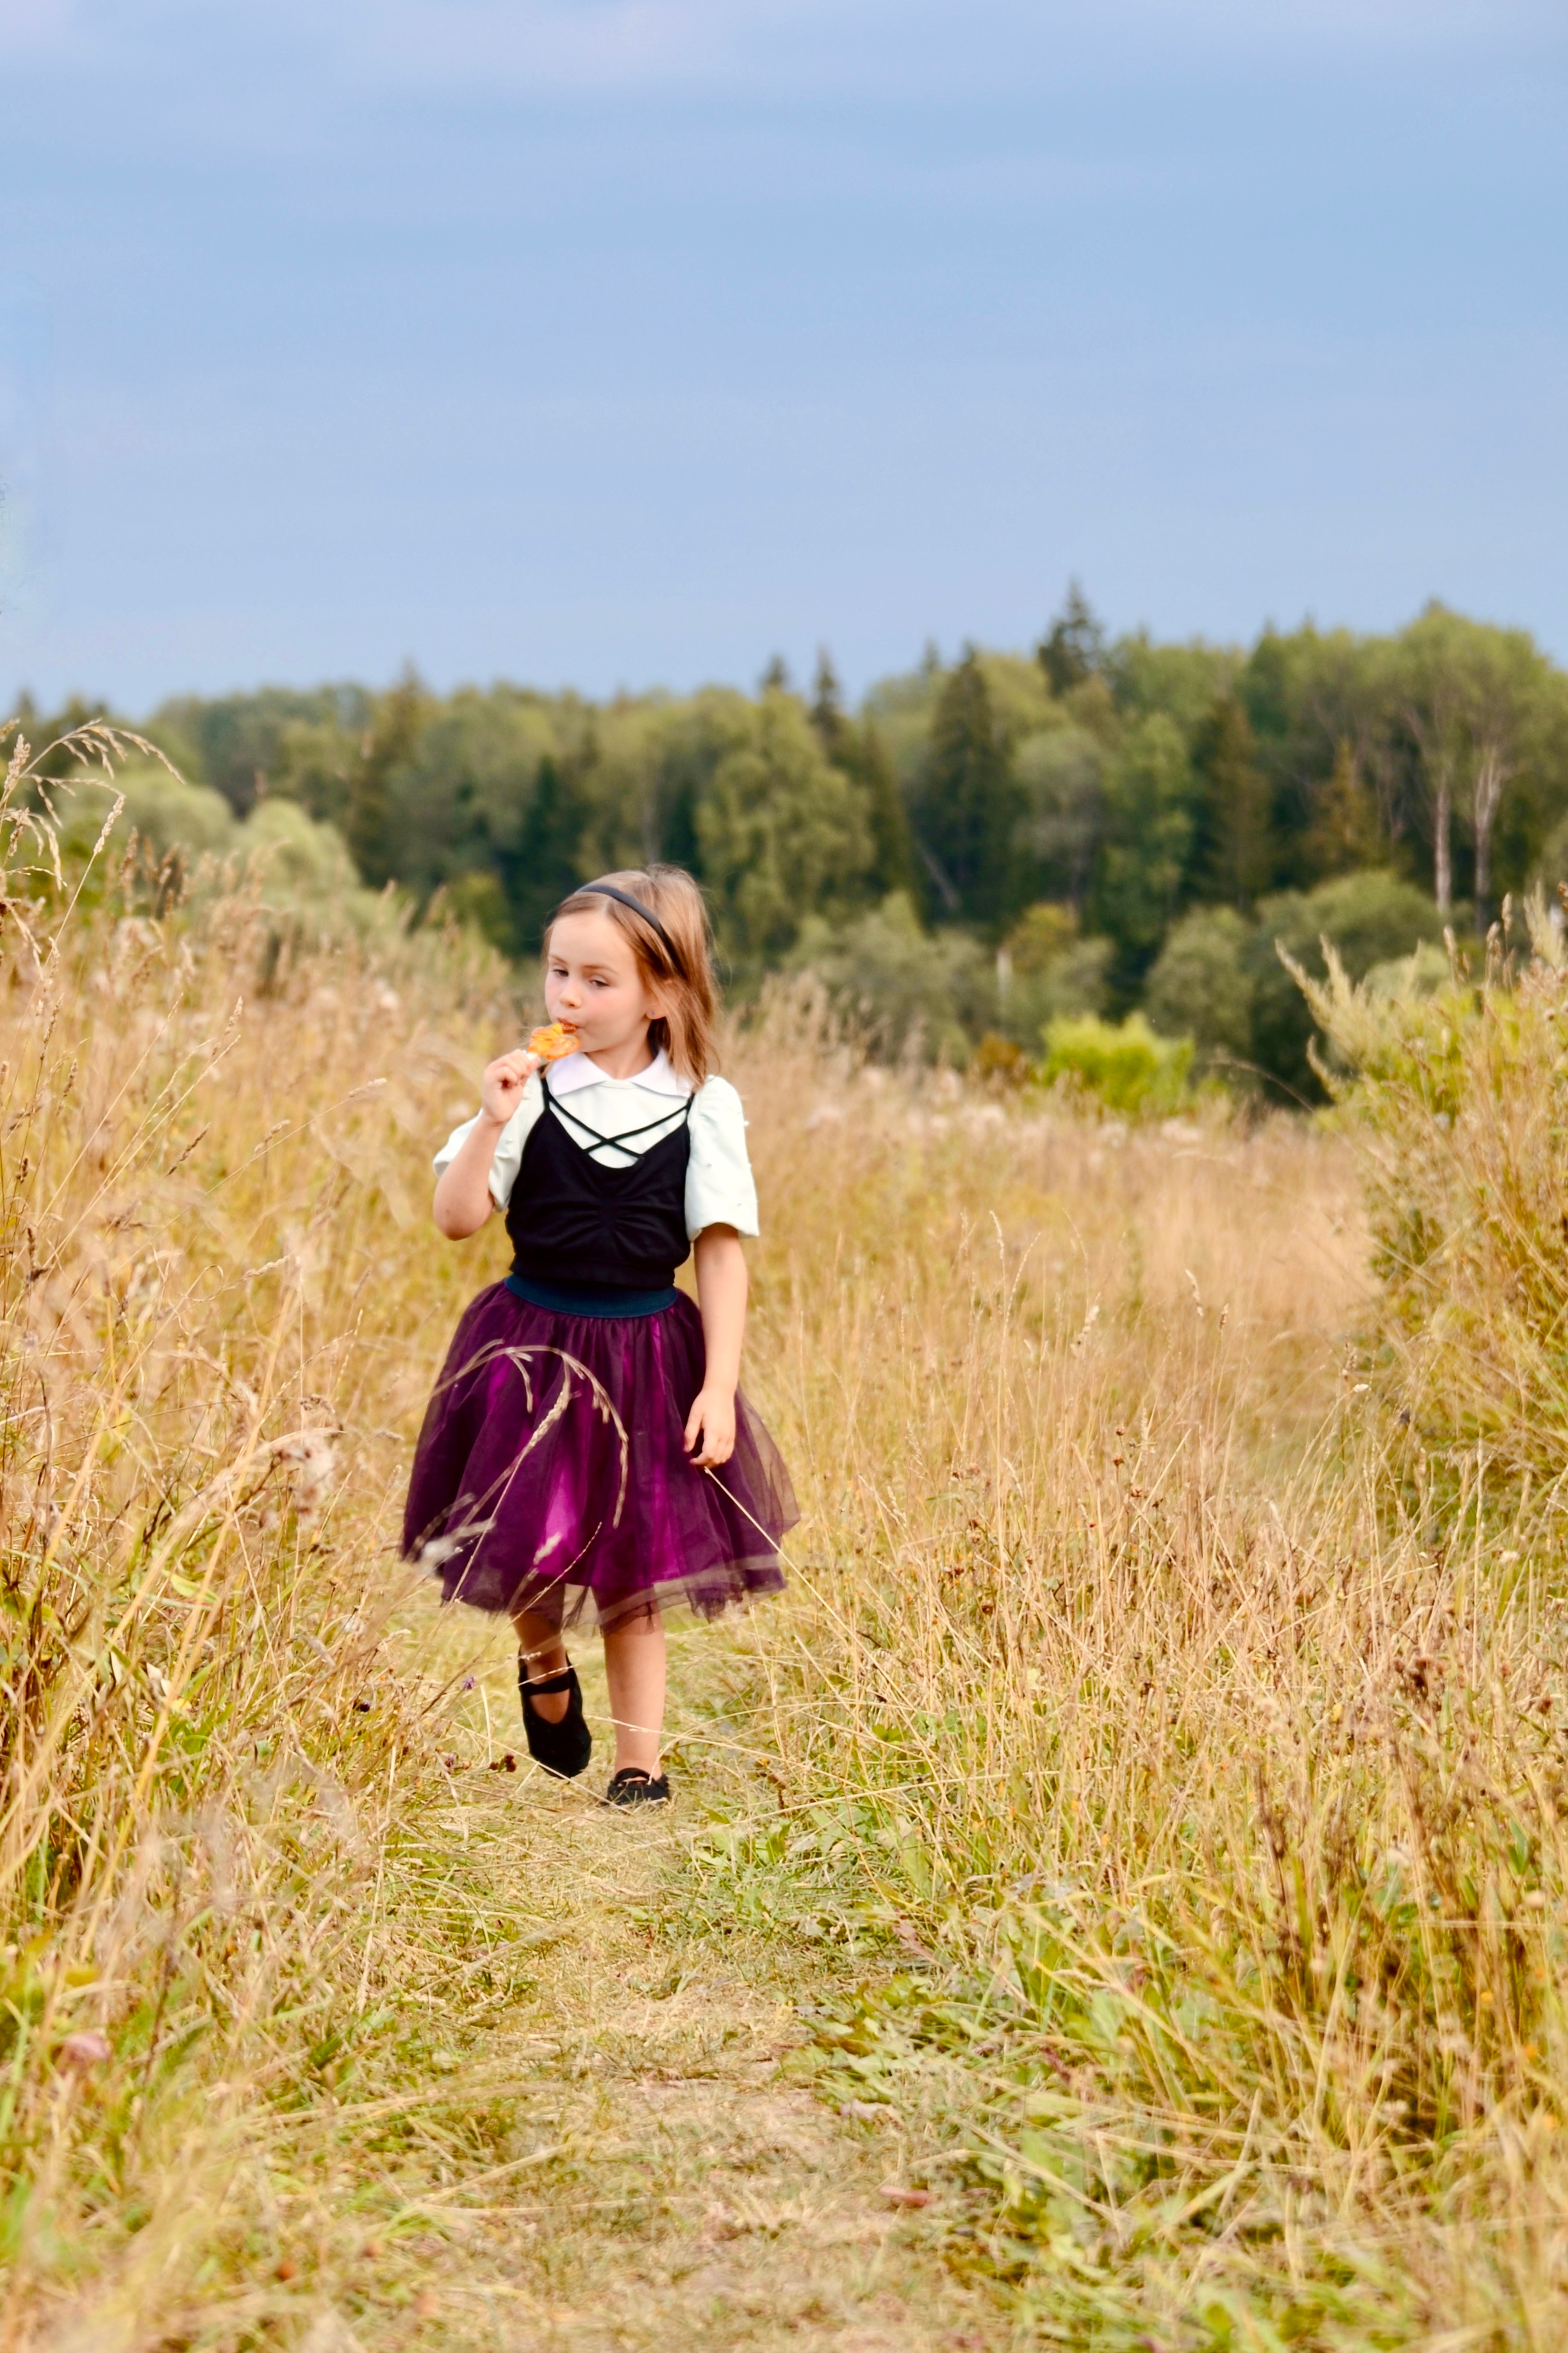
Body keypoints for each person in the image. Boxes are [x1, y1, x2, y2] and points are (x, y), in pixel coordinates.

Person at [403, 866, 796, 1806]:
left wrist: (719, 1384)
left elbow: (721, 1251)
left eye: (598, 980)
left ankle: (640, 1766)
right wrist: (488, 1123)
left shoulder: (705, 1103)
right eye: (558, 973)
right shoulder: (532, 1090)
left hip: (648, 1351)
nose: (569, 997)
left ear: (663, 995)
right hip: (530, 1345)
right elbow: (456, 1219)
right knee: (527, 1539)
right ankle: (542, 1665)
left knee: (636, 1563)